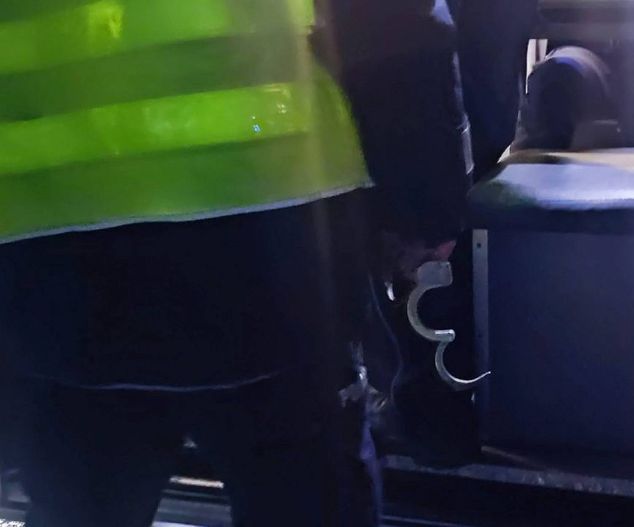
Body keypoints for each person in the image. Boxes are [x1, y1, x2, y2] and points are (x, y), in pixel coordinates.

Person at [0, 1, 405, 525]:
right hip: (271, 248)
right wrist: (423, 208)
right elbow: (395, 29)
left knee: (80, 497)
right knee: (304, 492)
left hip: (54, 261)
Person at [318, 0, 539, 465]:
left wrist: (428, 212)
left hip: (399, 85)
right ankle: (435, 405)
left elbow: (400, 37)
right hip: (439, 87)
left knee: (417, 255)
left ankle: (427, 409)